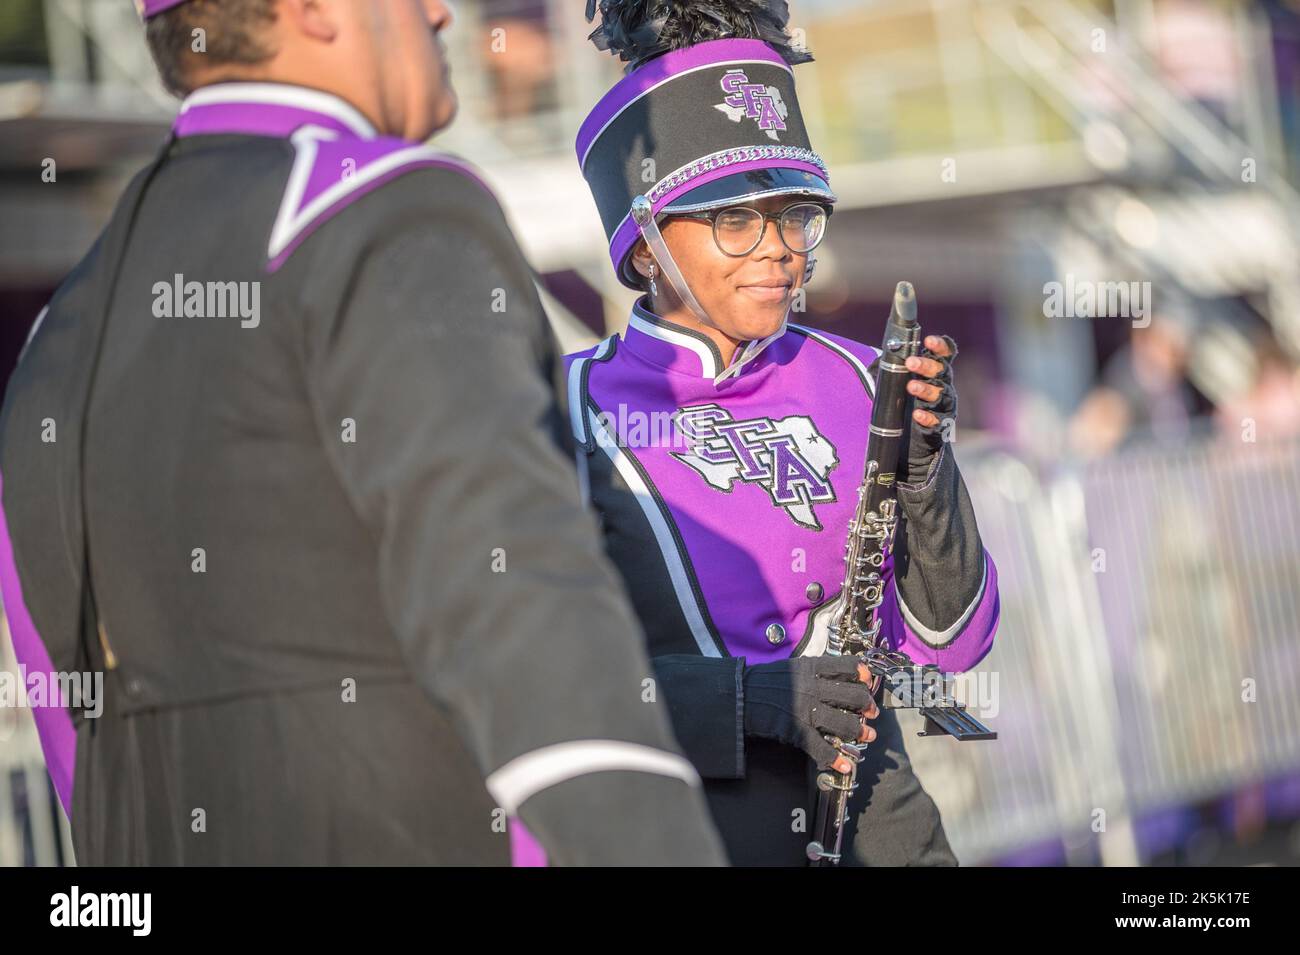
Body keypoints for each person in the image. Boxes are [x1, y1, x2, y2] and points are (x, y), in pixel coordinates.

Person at [0, 0, 727, 866]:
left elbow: (65, 715)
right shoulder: (381, 208)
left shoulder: (63, 325)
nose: (440, 13)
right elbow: (519, 603)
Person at [567, 0, 1000, 865]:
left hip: (884, 823)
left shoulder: (853, 373)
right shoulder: (569, 407)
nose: (781, 252)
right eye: (735, 219)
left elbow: (954, 641)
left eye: (796, 215)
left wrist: (924, 472)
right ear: (645, 245)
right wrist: (750, 699)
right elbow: (553, 686)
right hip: (697, 830)